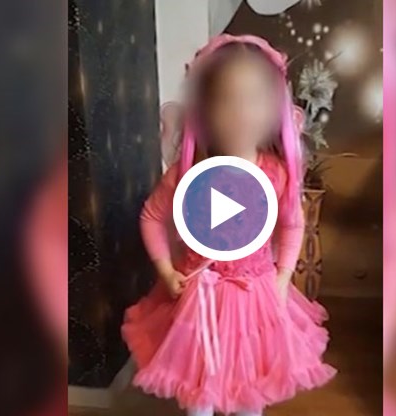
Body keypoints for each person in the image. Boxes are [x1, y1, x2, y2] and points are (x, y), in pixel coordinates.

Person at [122, 34, 336, 416]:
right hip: (198, 300)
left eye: (253, 99)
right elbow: (151, 216)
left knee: (250, 395)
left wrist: (283, 276)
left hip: (257, 299)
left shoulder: (277, 174)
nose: (240, 113)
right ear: (204, 108)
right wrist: (166, 271)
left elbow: (292, 225)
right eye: (226, 99)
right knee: (199, 398)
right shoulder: (186, 174)